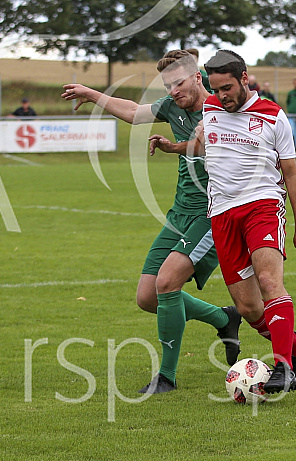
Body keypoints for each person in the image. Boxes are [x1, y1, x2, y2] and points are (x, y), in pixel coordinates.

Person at [61, 50, 241, 394]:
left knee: (168, 282)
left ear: (198, 77)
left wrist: (176, 146)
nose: (173, 90)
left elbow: (217, 147)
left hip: (213, 213)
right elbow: (132, 111)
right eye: (168, 85)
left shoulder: (222, 109)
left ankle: (167, 377)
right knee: (148, 297)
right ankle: (224, 319)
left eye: (179, 82)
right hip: (180, 212)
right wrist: (91, 94)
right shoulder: (173, 107)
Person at [202, 50, 296, 393]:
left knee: (270, 281)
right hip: (223, 215)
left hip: (262, 207)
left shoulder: (272, 115)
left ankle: (282, 365)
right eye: (216, 89)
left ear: (244, 78)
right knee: (249, 308)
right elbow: (196, 134)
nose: (222, 95)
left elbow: (292, 173)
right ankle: (295, 345)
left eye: (227, 87)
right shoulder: (210, 108)